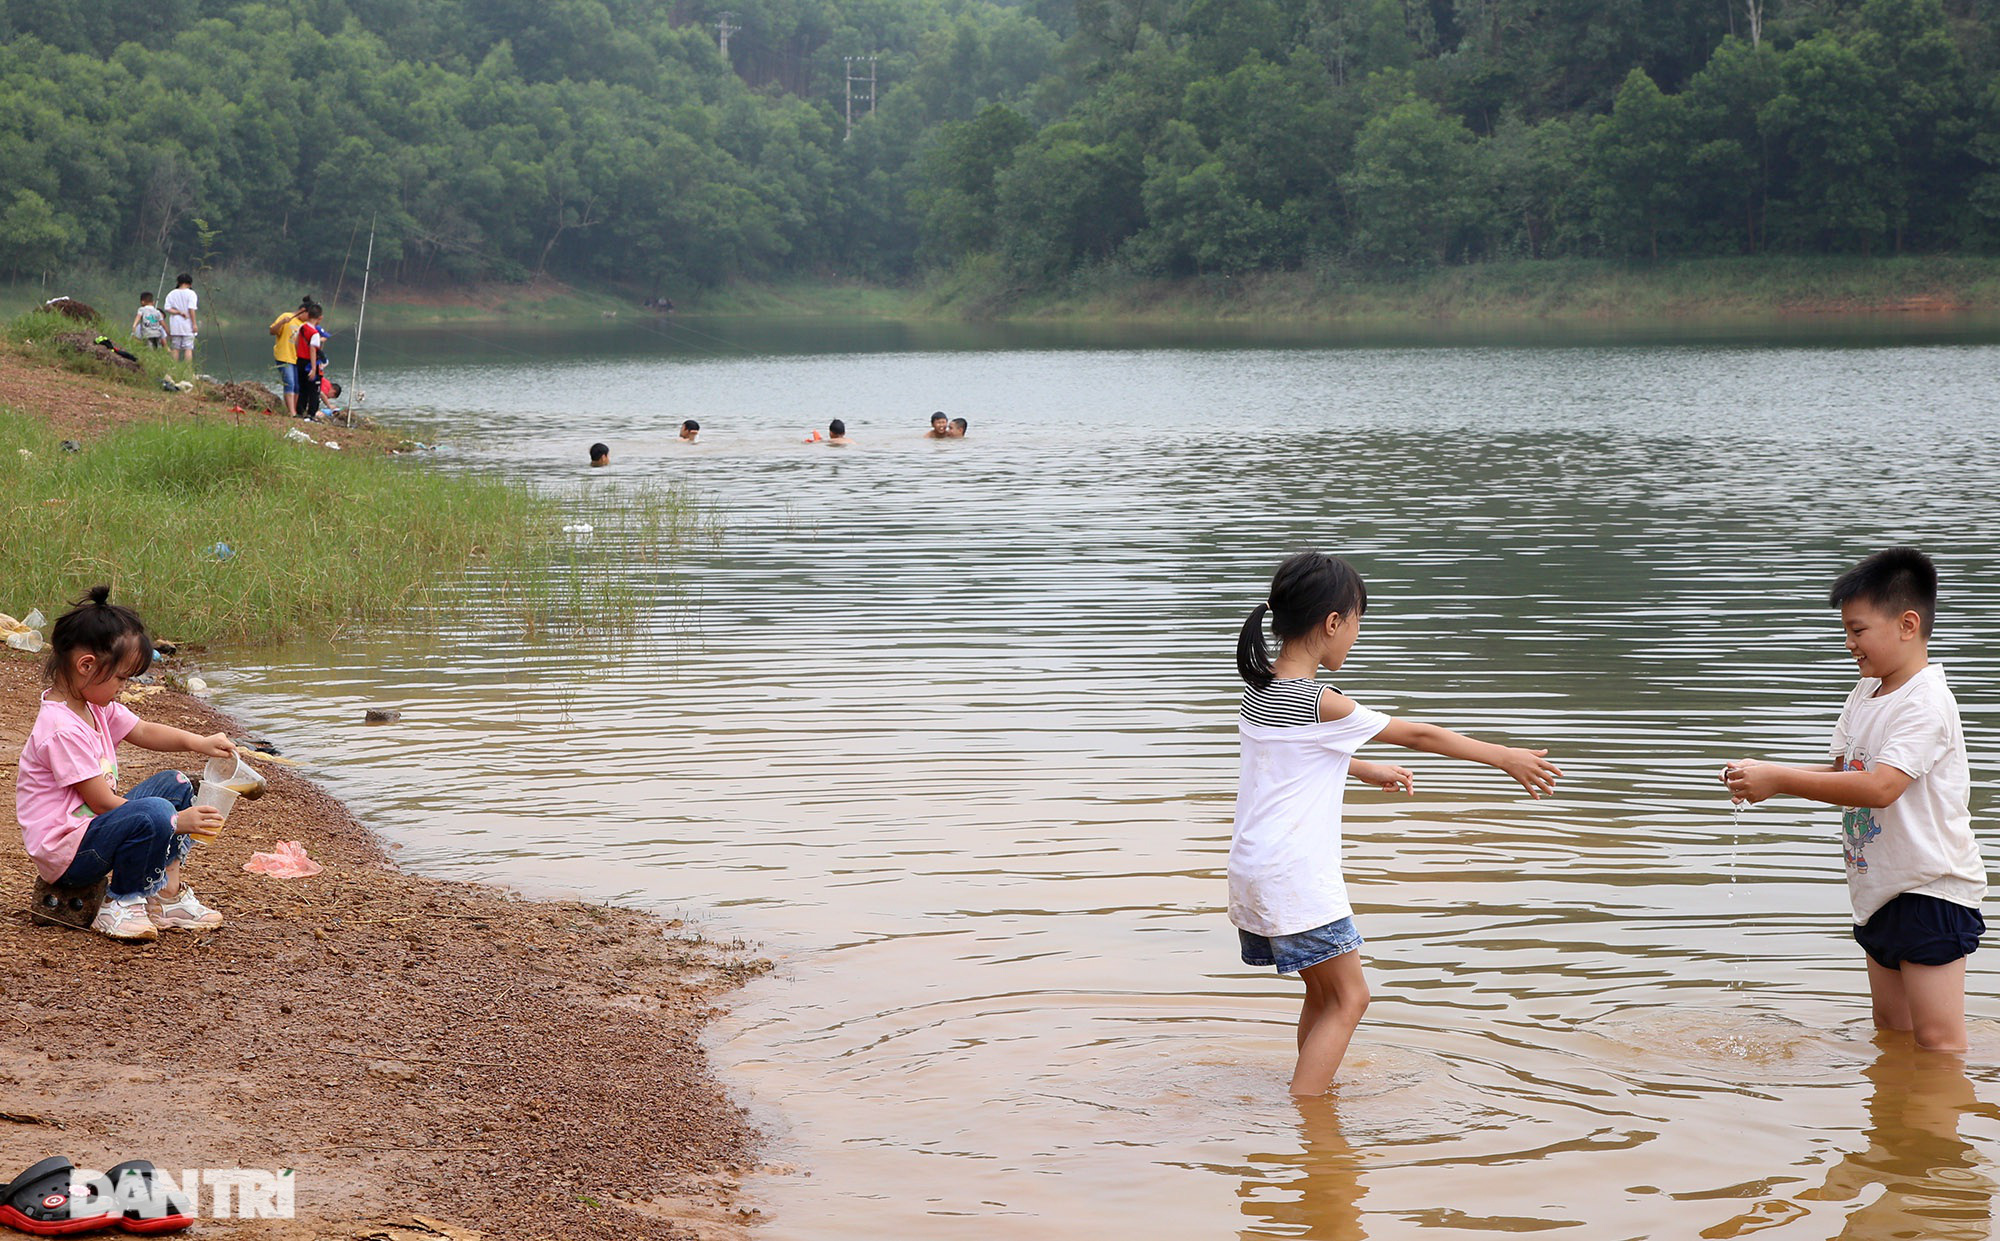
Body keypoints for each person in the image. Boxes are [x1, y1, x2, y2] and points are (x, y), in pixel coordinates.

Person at [1232, 550, 1562, 1096]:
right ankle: (1307, 1113)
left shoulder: (1262, 686)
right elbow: (1420, 736)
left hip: (1254, 868)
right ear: (1333, 622)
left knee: (1323, 995)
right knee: (1351, 998)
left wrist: (1358, 768)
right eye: (1357, 624)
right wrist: (1504, 756)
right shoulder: (1323, 701)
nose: (1355, 638)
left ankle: (1312, 1101)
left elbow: (1287, 753)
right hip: (1295, 873)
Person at [1724, 548, 1985, 1053]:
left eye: (1858, 631)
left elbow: (1882, 787)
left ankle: (1946, 1126)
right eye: (1846, 632)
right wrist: (1763, 773)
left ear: (1907, 624)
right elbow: (1847, 773)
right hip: (1878, 890)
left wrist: (1782, 780)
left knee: (1938, 1043)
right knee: (1892, 1031)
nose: (1850, 645)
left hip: (1932, 888)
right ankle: (1894, 1131)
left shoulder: (1925, 700)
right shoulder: (1865, 693)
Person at [15, 587, 235, 942]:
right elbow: (101, 802)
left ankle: (164, 896)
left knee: (175, 784)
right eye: (121, 678)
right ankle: (121, 903)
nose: (124, 687)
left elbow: (144, 730)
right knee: (156, 811)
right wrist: (177, 821)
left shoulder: (94, 707)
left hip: (94, 830)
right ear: (86, 665)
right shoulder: (60, 729)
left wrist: (199, 742)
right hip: (69, 854)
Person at [268, 296, 312, 418]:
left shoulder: (303, 324)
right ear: (303, 310)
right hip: (284, 356)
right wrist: (282, 322)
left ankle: (294, 411)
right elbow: (272, 331)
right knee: (290, 383)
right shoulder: (286, 316)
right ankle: (292, 413)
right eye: (308, 314)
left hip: (296, 358)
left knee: (297, 386)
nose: (309, 318)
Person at [294, 305, 326, 421]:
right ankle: (311, 414)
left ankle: (300, 411)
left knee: (302, 388)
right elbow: (313, 349)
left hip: (300, 361)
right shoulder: (314, 333)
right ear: (320, 318)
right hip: (309, 363)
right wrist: (313, 368)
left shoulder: (302, 327)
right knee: (314, 390)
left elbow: (296, 342)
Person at [162, 274, 198, 363]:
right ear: (190, 284)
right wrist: (194, 324)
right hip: (187, 325)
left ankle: (174, 369)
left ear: (178, 282)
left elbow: (167, 308)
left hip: (175, 325)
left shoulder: (172, 293)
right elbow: (191, 309)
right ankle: (187, 370)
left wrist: (178, 312)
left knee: (175, 348)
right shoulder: (191, 293)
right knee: (188, 348)